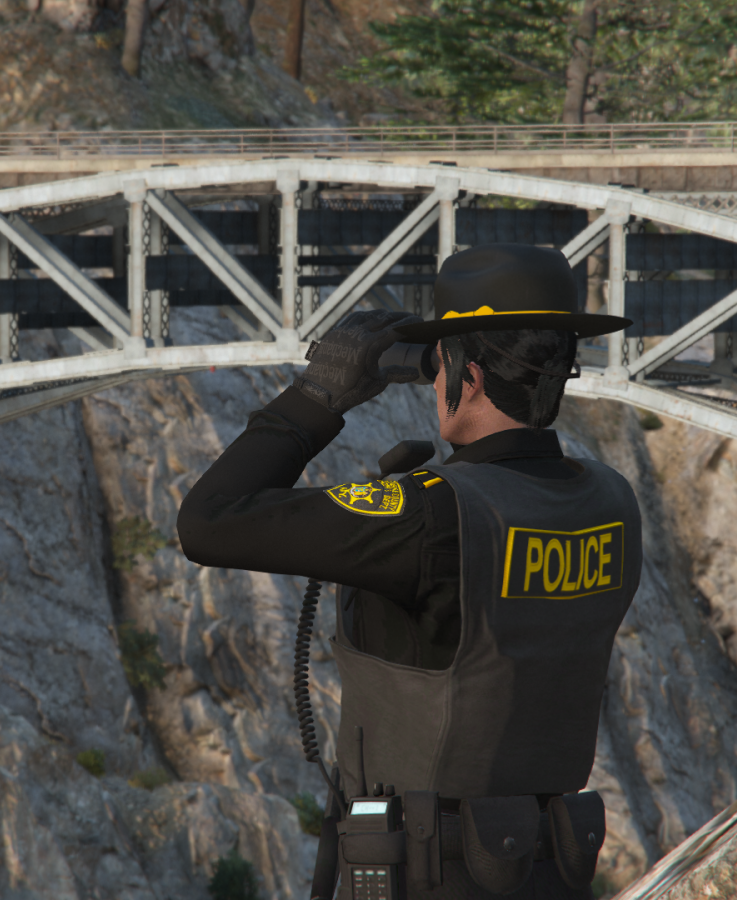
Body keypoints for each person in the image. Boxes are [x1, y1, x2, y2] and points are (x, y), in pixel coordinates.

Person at [177, 244, 642, 900]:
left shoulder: (433, 514)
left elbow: (208, 521)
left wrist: (317, 396)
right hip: (550, 872)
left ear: (467, 377)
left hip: (424, 875)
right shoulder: (612, 502)